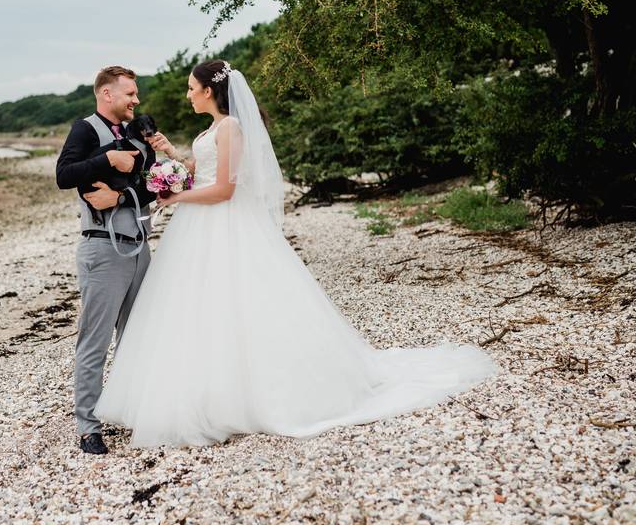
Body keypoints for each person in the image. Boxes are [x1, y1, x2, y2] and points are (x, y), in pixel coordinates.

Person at [94, 60, 497, 448]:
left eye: (191, 88)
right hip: (198, 227)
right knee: (199, 306)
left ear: (209, 91)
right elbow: (205, 173)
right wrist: (172, 157)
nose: (187, 95)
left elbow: (225, 190)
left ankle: (246, 395)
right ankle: (203, 389)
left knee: (238, 302)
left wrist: (177, 196)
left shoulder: (231, 127)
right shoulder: (214, 128)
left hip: (226, 223)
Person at [55, 65, 158, 455]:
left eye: (135, 93)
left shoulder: (134, 133)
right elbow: (64, 175)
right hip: (103, 247)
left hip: (140, 246)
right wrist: (108, 162)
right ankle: (88, 425)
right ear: (106, 95)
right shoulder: (85, 129)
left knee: (135, 335)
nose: (136, 100)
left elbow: (147, 187)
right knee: (95, 340)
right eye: (130, 93)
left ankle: (129, 410)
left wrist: (121, 196)